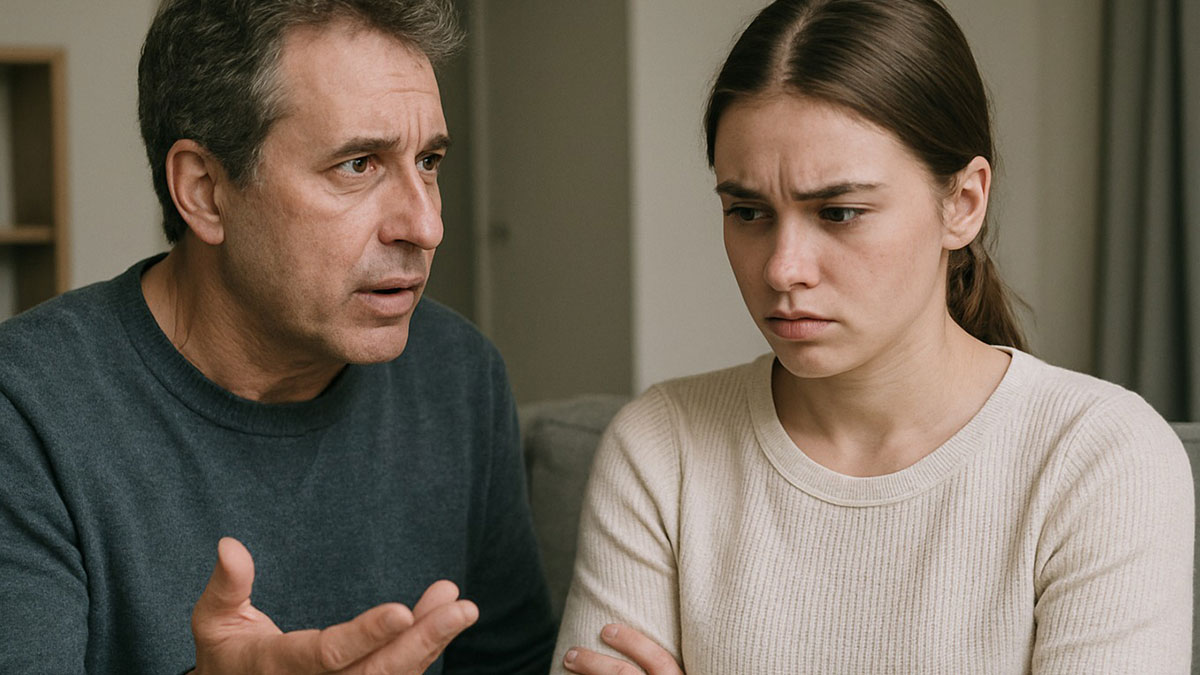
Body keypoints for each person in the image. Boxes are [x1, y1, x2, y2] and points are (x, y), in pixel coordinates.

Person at [553, 0, 1194, 672]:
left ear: (964, 203)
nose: (782, 268)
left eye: (840, 212)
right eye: (747, 211)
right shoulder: (662, 448)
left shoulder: (1100, 458)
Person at [0, 1, 556, 673]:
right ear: (205, 191)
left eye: (430, 159)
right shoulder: (26, 406)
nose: (425, 224)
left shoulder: (459, 375)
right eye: (359, 164)